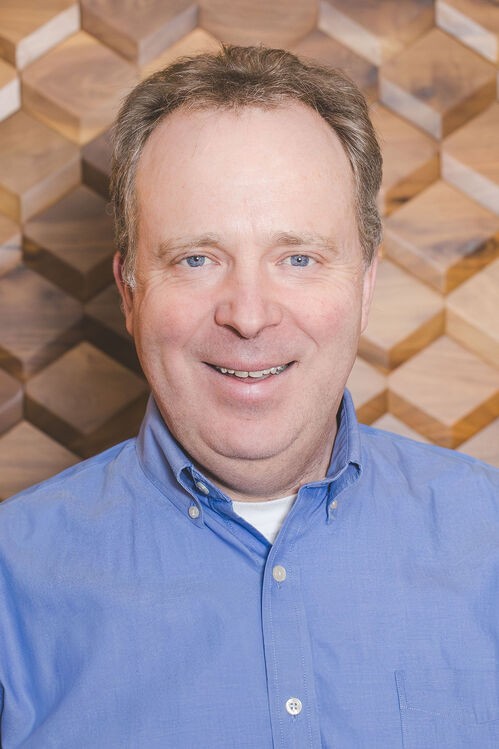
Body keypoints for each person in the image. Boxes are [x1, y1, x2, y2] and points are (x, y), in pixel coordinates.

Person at [0, 45, 498, 749]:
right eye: (195, 258)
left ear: (363, 287)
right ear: (129, 293)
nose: (249, 315)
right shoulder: (12, 586)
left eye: (297, 257)